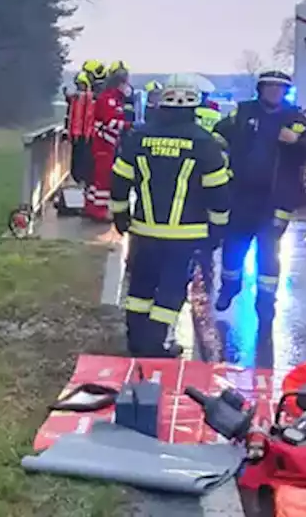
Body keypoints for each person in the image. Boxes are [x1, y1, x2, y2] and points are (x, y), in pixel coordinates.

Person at [110, 73, 231, 357]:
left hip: (144, 231)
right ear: (194, 105)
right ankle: (154, 346)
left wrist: (120, 214)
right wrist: (218, 229)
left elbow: (119, 180)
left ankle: (136, 341)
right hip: (185, 235)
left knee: (140, 288)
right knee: (171, 291)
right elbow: (218, 191)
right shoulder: (204, 141)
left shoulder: (139, 136)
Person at [213, 70, 306, 318]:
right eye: (270, 87)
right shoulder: (244, 112)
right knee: (233, 247)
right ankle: (230, 287)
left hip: (276, 198)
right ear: (261, 89)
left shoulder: (294, 118)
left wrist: (297, 141)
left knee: (268, 252)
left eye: (279, 88)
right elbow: (218, 134)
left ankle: (266, 303)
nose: (274, 92)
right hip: (241, 195)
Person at [85, 62, 133, 221]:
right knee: (103, 180)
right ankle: (99, 211)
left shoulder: (115, 98)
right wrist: (130, 126)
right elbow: (110, 122)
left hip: (107, 145)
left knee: (96, 179)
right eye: (125, 82)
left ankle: (92, 207)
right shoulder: (109, 99)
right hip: (103, 145)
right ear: (119, 82)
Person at [66, 64, 103, 187]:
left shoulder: (93, 97)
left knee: (86, 166)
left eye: (81, 85)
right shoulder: (79, 98)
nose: (79, 88)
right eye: (77, 86)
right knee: (77, 165)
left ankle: (84, 184)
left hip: (88, 136)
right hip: (78, 136)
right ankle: (81, 183)